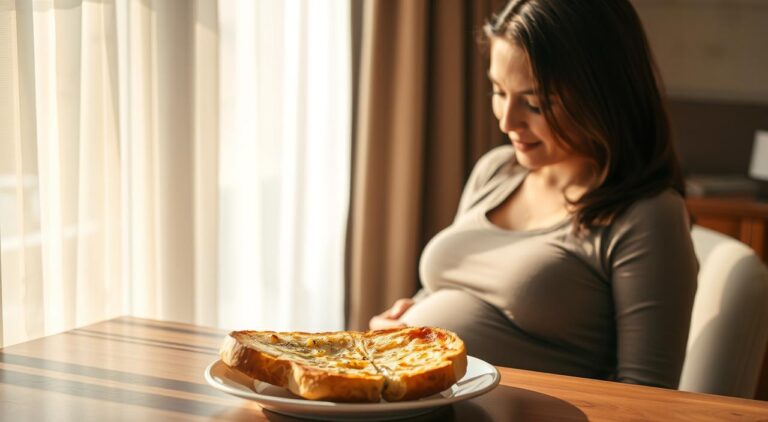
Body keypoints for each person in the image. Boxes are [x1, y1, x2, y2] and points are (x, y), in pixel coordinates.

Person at [369, 0, 698, 389]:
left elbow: (648, 397)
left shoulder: (647, 216)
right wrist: (406, 318)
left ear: (602, 93)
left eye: (535, 103)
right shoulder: (496, 171)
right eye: (498, 91)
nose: (507, 121)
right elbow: (444, 291)